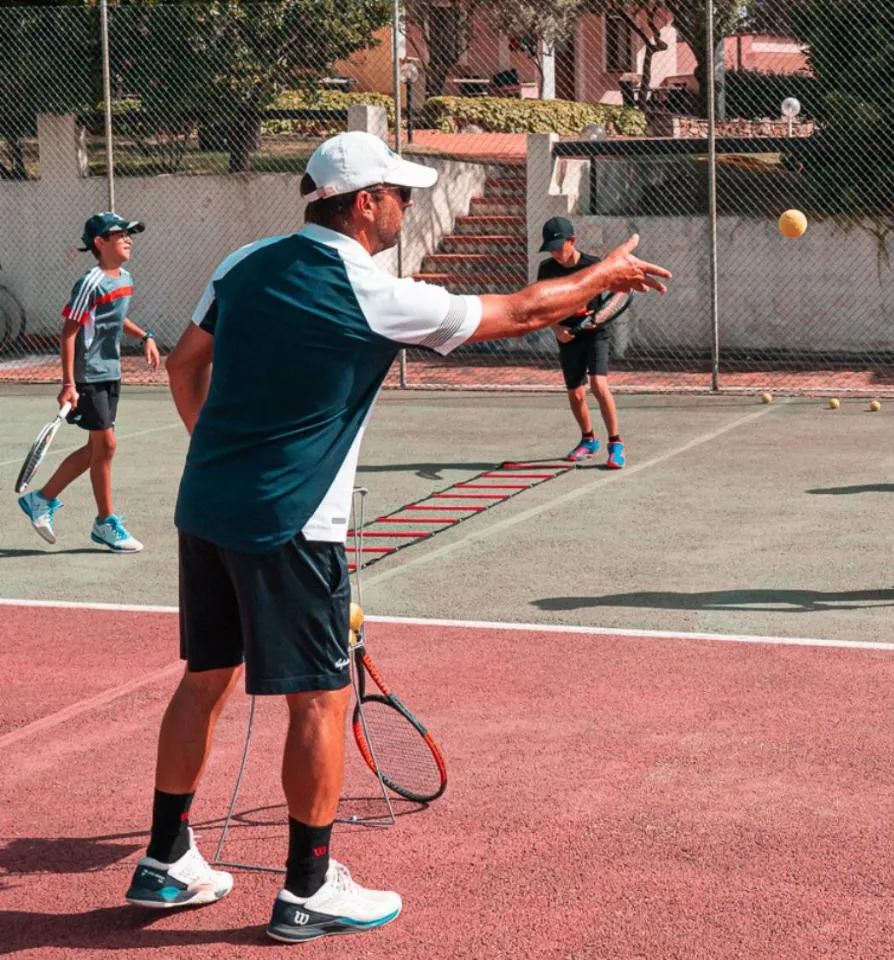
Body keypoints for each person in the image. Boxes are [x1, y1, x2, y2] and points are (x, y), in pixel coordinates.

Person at [122, 131, 669, 942]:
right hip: (291, 523)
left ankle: (165, 861)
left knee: (205, 678)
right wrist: (606, 275)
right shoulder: (368, 290)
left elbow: (182, 365)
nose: (408, 209)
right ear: (365, 202)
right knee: (320, 699)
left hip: (206, 507)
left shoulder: (244, 263)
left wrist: (221, 453)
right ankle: (307, 888)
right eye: (401, 195)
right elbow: (523, 311)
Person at [17, 212, 160, 551]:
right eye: (120, 234)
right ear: (100, 242)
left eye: (130, 233)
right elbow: (69, 332)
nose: (128, 239)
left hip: (111, 372)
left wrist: (145, 336)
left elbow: (116, 318)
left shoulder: (124, 278)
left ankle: (42, 499)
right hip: (88, 375)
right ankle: (105, 522)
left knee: (98, 447)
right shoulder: (90, 282)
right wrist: (68, 383)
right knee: (106, 445)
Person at [537, 216, 627, 468]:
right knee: (576, 394)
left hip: (596, 333)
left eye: (558, 246)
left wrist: (602, 315)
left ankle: (616, 444)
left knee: (598, 385)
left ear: (572, 241)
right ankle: (588, 440)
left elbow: (621, 289)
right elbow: (542, 307)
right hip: (567, 334)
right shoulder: (547, 270)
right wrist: (556, 329)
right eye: (550, 248)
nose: (555, 252)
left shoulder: (593, 265)